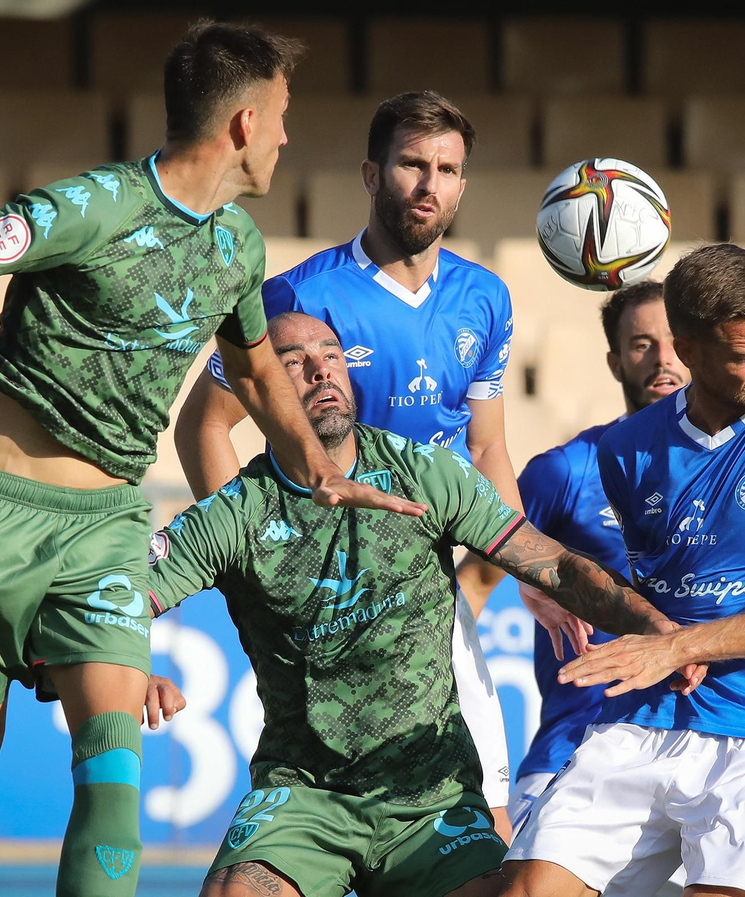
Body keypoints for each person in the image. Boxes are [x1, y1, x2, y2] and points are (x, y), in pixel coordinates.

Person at [0, 22, 418, 897]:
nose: (288, 134)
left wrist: (316, 467)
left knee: (114, 779)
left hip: (108, 533)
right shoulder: (90, 207)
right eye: (281, 115)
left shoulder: (238, 247)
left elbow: (252, 371)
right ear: (242, 123)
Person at [146, 312, 686, 897]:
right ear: (260, 392)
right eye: (293, 363)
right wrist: (131, 668)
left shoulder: (423, 472)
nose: (320, 370)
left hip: (433, 797)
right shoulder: (235, 513)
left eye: (331, 355)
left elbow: (553, 564)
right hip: (304, 794)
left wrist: (656, 626)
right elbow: (113, 602)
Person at [172, 90, 567, 837]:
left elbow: (486, 448)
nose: (430, 185)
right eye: (413, 164)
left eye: (448, 169)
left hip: (431, 582)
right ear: (370, 172)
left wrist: (522, 573)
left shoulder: (486, 298)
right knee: (344, 811)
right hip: (336, 590)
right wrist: (251, 560)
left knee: (483, 815)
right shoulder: (299, 295)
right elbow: (204, 425)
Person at [503, 244, 745, 897]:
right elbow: (646, 585)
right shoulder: (623, 450)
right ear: (691, 351)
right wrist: (560, 587)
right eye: (743, 354)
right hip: (638, 720)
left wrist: (678, 644)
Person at [509, 280, 688, 829]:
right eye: (641, 344)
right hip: (577, 744)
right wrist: (531, 584)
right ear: (614, 362)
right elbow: (476, 572)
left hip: (701, 747)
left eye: (675, 340)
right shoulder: (564, 471)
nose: (663, 360)